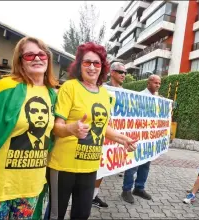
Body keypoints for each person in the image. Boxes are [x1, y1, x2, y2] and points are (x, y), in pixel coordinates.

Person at [47, 42, 137, 220]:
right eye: (86, 62)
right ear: (79, 65)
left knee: (82, 214)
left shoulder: (105, 95)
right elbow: (56, 127)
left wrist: (122, 139)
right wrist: (71, 129)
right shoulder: (70, 87)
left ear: (102, 67)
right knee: (56, 215)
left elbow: (102, 127)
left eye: (96, 63)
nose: (91, 67)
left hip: (90, 167)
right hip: (63, 166)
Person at [0, 37, 58, 219]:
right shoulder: (6, 86)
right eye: (30, 55)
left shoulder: (51, 93)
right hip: (1, 185)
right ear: (20, 61)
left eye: (41, 54)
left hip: (31, 186)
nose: (37, 59)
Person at [121, 74, 161, 204]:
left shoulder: (158, 99)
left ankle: (139, 188)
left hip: (149, 137)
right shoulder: (139, 96)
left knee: (145, 164)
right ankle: (126, 190)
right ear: (149, 83)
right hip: (138, 137)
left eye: (159, 83)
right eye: (155, 83)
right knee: (133, 165)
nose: (158, 85)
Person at [92, 61, 127, 208]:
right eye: (120, 72)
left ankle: (93, 196)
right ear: (112, 72)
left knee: (103, 168)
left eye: (125, 73)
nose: (124, 75)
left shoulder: (125, 92)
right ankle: (85, 196)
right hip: (100, 134)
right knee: (95, 168)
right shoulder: (102, 89)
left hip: (114, 135)